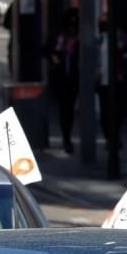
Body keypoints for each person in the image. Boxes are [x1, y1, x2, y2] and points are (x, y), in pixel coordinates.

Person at [96, 12, 127, 150]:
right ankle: (108, 138)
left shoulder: (119, 36)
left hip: (117, 79)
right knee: (105, 112)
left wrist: (120, 51)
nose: (103, 25)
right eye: (101, 22)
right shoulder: (98, 39)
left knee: (118, 110)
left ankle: (115, 136)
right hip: (102, 81)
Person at [48, 8, 80, 154]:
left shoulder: (78, 39)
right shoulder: (58, 37)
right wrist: (53, 57)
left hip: (73, 78)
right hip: (61, 79)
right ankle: (66, 137)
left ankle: (67, 136)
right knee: (64, 109)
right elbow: (46, 49)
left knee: (69, 109)